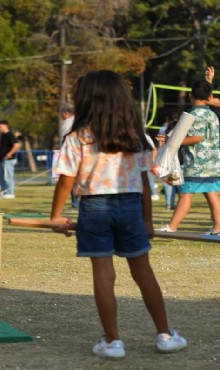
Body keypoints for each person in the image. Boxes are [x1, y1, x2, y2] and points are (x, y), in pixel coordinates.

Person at [50, 70, 187, 359]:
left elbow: (65, 180)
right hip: (130, 206)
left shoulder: (77, 138)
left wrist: (56, 215)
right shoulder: (135, 137)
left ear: (86, 100)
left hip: (94, 207)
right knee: (143, 271)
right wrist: (147, 220)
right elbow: (145, 185)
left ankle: (113, 342)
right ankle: (165, 335)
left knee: (103, 275)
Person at [155, 80, 220, 234]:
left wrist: (170, 140)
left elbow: (197, 138)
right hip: (213, 164)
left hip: (197, 165)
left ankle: (172, 227)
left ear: (190, 95)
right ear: (210, 97)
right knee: (212, 194)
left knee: (185, 195)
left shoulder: (193, 114)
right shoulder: (212, 114)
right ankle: (217, 228)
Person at [59, 104, 80, 208]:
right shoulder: (78, 121)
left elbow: (66, 139)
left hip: (72, 155)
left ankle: (75, 203)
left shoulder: (68, 123)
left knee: (71, 180)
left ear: (65, 113)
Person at [0, 120, 20, 199]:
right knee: (1, 177)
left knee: (8, 177)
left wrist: (9, 154)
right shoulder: (3, 135)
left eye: (0, 127)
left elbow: (16, 145)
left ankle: (10, 193)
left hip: (8, 160)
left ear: (5, 126)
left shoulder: (9, 135)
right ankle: (5, 192)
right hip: (1, 159)